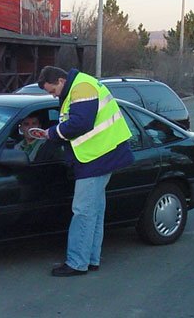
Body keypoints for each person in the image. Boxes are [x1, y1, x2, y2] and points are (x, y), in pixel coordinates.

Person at [37, 66, 134, 276]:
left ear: (62, 80)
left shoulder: (81, 87)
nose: (52, 95)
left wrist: (51, 133)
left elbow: (80, 123)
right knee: (94, 210)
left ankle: (77, 262)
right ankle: (91, 259)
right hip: (102, 153)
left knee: (82, 211)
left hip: (96, 157)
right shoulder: (82, 84)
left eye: (52, 90)